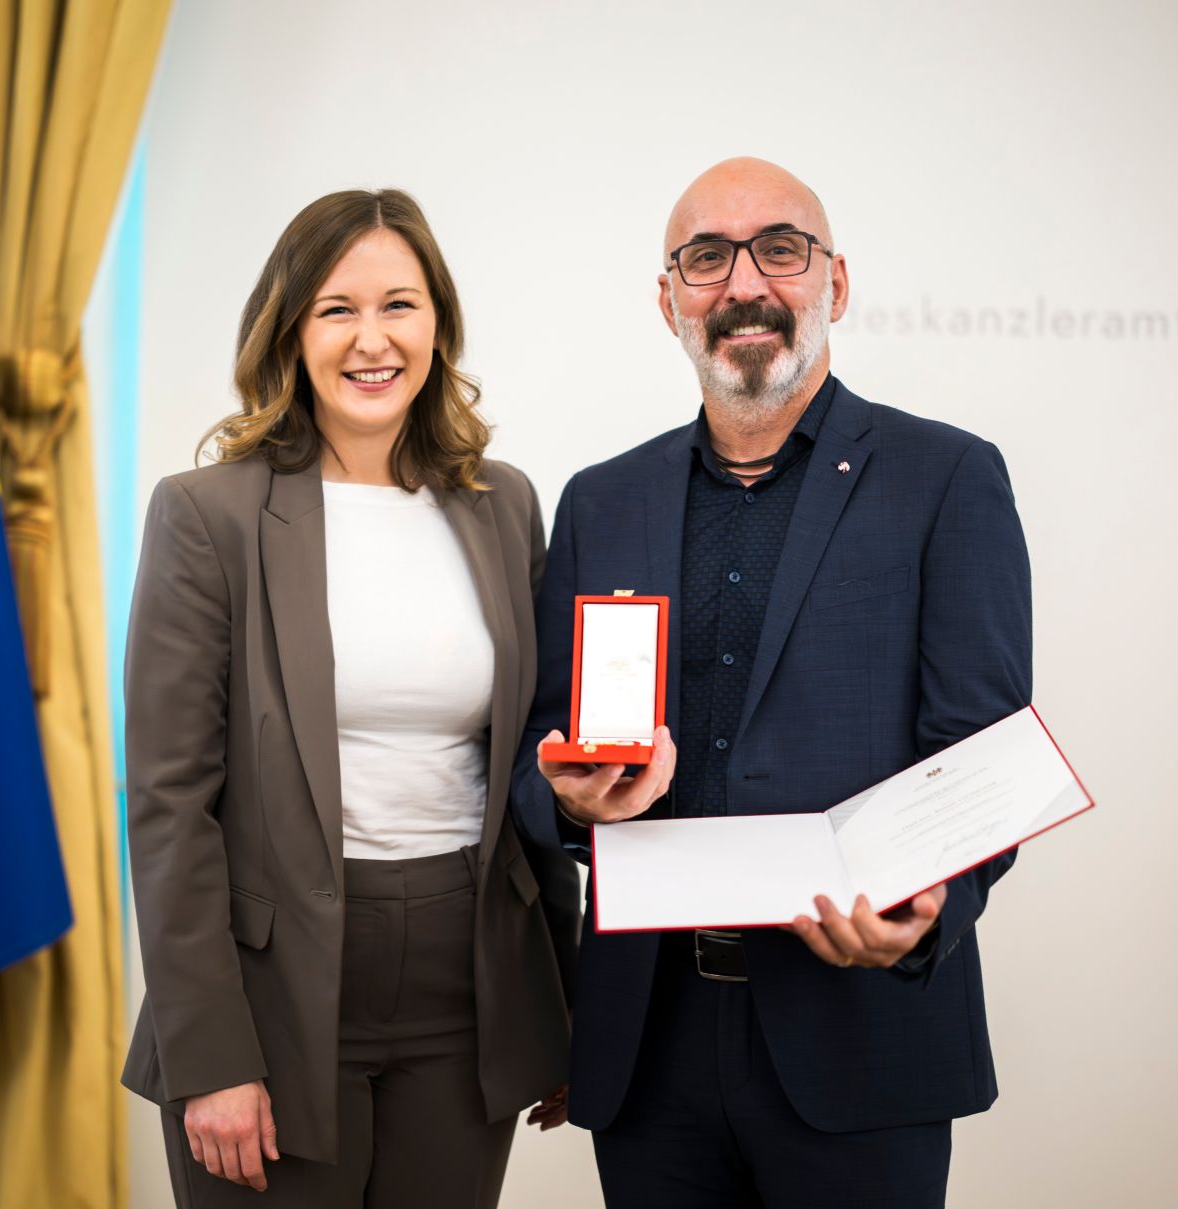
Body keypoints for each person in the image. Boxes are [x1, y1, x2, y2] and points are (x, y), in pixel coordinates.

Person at [511, 157, 1033, 1208]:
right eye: (705, 258)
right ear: (668, 303)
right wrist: (565, 800)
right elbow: (537, 753)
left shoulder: (945, 478)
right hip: (645, 1047)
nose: (742, 284)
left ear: (833, 284)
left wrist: (927, 911)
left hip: (860, 1033)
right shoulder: (598, 500)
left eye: (778, 249)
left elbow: (981, 758)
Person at [123, 188, 578, 1209]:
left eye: (399, 306)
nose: (371, 339)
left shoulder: (500, 503)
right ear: (288, 331)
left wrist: (557, 1001)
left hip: (468, 986)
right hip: (270, 997)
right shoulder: (208, 515)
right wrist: (209, 1054)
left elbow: (523, 772)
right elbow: (167, 804)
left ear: (437, 326)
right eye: (335, 309)